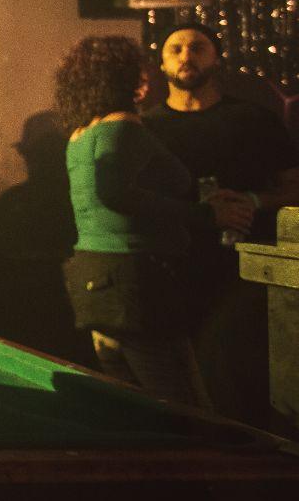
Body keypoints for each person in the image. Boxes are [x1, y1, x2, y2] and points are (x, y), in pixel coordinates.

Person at [53, 35, 252, 406]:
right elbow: (114, 194)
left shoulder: (79, 135)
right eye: (137, 71)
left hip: (94, 278)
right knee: (183, 405)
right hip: (136, 282)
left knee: (131, 407)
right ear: (124, 79)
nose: (145, 79)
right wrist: (206, 214)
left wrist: (200, 197)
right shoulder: (123, 125)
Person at [141, 21, 299, 426]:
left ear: (217, 58)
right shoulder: (147, 128)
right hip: (173, 273)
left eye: (197, 48)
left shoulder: (253, 120)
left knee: (244, 383)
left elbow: (294, 187)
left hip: (243, 274)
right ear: (161, 63)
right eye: (175, 49)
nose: (186, 57)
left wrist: (252, 200)